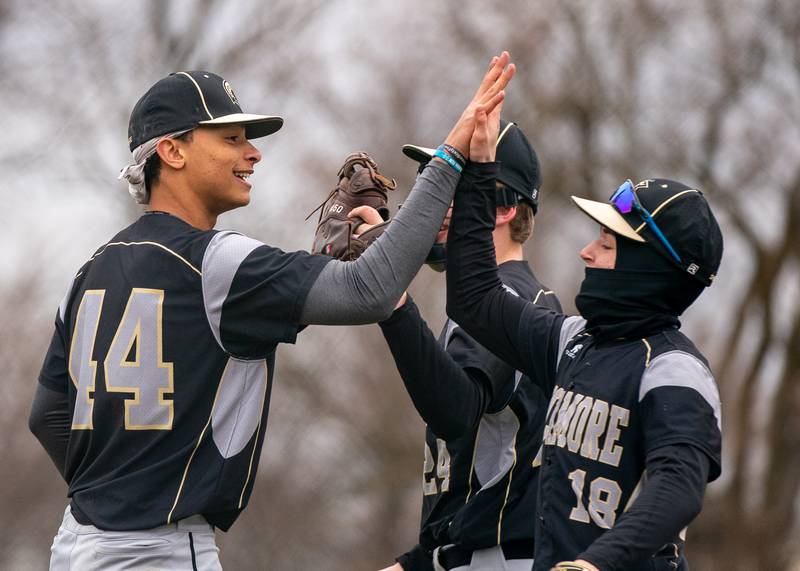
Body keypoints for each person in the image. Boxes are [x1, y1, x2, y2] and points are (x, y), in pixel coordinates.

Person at [27, 54, 515, 570]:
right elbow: (372, 290)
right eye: (231, 139)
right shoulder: (218, 261)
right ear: (171, 151)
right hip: (157, 552)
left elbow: (47, 415)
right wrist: (450, 160)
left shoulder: (89, 271)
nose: (253, 153)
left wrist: (115, 495)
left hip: (77, 545)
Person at [444, 106, 723, 571]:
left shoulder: (674, 368)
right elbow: (472, 297)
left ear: (647, 269)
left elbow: (678, 486)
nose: (586, 251)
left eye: (608, 245)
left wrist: (596, 565)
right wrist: (479, 171)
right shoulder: (574, 341)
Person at [367, 121, 560, 571]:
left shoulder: (507, 300)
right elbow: (481, 479)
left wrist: (390, 296)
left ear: (503, 208)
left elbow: (454, 411)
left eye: (450, 186)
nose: (431, 202)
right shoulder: (507, 299)